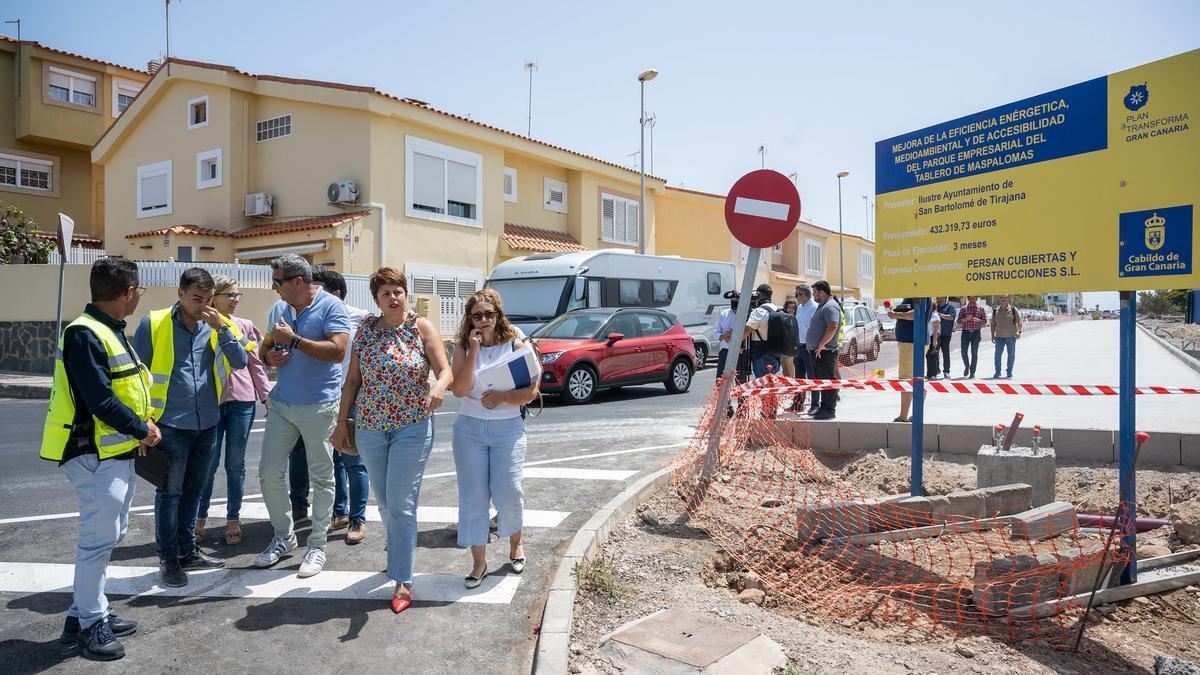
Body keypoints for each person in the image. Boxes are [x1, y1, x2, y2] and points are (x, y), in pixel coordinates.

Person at [40, 258, 160, 661]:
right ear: (128, 292)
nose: (140, 293)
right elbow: (100, 399)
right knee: (97, 540)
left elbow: (123, 389)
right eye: (138, 288)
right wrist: (142, 429)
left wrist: (142, 424)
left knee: (111, 534)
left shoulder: (107, 330)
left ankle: (83, 613)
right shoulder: (85, 334)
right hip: (91, 451)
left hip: (113, 450)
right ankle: (92, 626)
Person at [330, 267, 453, 613]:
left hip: (412, 426)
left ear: (405, 293)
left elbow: (445, 369)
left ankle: (402, 577)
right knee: (384, 502)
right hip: (370, 428)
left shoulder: (420, 327)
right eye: (386, 293)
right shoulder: (365, 330)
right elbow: (352, 381)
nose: (393, 298)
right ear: (376, 300)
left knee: (400, 503)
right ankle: (400, 551)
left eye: (398, 291)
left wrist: (439, 387)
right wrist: (342, 423)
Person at [133, 268, 251, 587]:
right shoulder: (153, 323)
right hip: (169, 424)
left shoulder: (216, 325)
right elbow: (136, 377)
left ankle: (187, 550)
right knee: (170, 493)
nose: (203, 305)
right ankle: (169, 557)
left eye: (208, 299)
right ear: (180, 293)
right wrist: (143, 422)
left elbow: (240, 362)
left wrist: (222, 330)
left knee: (195, 490)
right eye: (197, 298)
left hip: (207, 422)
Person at [254, 254, 351, 578]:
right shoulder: (279, 309)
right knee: (268, 472)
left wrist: (294, 340)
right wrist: (270, 355)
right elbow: (263, 349)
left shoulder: (331, 307)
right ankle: (284, 536)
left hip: (319, 405)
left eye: (278, 282)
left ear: (298, 282)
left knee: (322, 476)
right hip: (282, 403)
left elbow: (338, 351)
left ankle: (318, 544)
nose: (274, 287)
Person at [448, 288, 538, 589]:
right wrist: (474, 351)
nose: (483, 320)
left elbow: (532, 392)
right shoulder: (461, 346)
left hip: (507, 428)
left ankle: (515, 545)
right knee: (473, 498)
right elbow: (459, 390)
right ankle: (479, 562)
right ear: (469, 318)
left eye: (489, 314)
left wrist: (502, 396)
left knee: (509, 491)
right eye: (477, 315)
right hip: (469, 430)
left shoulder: (516, 342)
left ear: (498, 315)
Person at [197, 275, 270, 547]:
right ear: (214, 297)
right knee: (208, 464)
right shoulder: (201, 324)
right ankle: (199, 519)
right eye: (230, 295)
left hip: (241, 400)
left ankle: (233, 519)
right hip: (211, 402)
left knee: (235, 464)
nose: (235, 299)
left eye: (238, 295)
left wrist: (265, 397)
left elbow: (255, 364)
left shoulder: (245, 326)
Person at [313, 269, 371, 545]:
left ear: (335, 294)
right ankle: (340, 512)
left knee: (353, 460)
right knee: (330, 459)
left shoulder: (361, 318)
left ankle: (358, 518)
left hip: (353, 397)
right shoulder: (312, 316)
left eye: (318, 290)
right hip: (323, 396)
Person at [806, 281, 842, 420]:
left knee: (828, 381)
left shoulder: (830, 306)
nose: (813, 295)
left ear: (822, 292)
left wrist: (821, 344)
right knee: (822, 381)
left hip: (825, 351)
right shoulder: (823, 306)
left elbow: (832, 326)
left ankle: (829, 410)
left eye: (815, 292)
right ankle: (824, 407)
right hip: (819, 351)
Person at [741, 283, 780, 378]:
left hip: (761, 355)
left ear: (759, 295)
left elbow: (747, 330)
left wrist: (737, 345)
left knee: (763, 386)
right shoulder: (777, 309)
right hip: (776, 355)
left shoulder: (759, 311)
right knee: (770, 385)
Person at [888, 297, 917, 423]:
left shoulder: (918, 295)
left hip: (910, 342)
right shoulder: (915, 295)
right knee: (916, 379)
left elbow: (916, 314)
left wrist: (895, 315)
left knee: (906, 379)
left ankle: (903, 416)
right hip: (910, 342)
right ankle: (915, 415)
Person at [791, 284, 819, 414]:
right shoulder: (800, 308)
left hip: (810, 347)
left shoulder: (814, 307)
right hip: (799, 346)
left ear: (805, 295)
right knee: (799, 377)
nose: (796, 297)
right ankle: (798, 403)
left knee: (813, 376)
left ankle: (815, 404)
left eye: (798, 294)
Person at [990, 294, 1022, 378]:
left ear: (1008, 299)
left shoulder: (1013, 309)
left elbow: (1019, 321)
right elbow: (993, 324)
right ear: (999, 299)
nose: (1003, 299)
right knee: (997, 355)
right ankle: (997, 372)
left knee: (1011, 354)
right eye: (1001, 298)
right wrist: (992, 335)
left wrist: (1019, 331)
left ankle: (1009, 371)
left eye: (1005, 298)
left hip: (1011, 336)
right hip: (999, 337)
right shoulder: (995, 311)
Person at [956, 296, 986, 378]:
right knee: (963, 352)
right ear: (968, 298)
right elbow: (958, 321)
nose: (972, 299)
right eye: (970, 297)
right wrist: (965, 319)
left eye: (974, 297)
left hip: (976, 333)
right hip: (965, 332)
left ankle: (972, 372)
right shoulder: (963, 309)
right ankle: (967, 366)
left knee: (974, 353)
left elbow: (985, 322)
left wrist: (978, 320)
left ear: (976, 298)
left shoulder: (981, 308)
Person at [714, 291, 740, 382]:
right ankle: (719, 396)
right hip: (725, 350)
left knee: (740, 380)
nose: (734, 301)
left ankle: (742, 397)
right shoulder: (724, 314)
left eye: (736, 300)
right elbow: (716, 333)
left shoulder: (744, 314)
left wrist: (735, 334)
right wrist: (723, 336)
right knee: (721, 378)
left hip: (739, 352)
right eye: (732, 300)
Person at [935, 296, 958, 379]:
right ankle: (936, 370)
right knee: (934, 353)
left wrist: (939, 315)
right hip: (936, 334)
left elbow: (951, 317)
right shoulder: (935, 307)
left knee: (945, 353)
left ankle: (946, 371)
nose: (937, 298)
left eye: (939, 296)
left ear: (944, 298)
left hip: (946, 334)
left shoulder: (950, 307)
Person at [780, 300, 798, 377]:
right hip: (783, 347)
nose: (790, 309)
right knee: (785, 369)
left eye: (793, 308)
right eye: (789, 307)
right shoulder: (783, 317)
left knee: (789, 369)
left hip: (791, 348)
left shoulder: (795, 319)